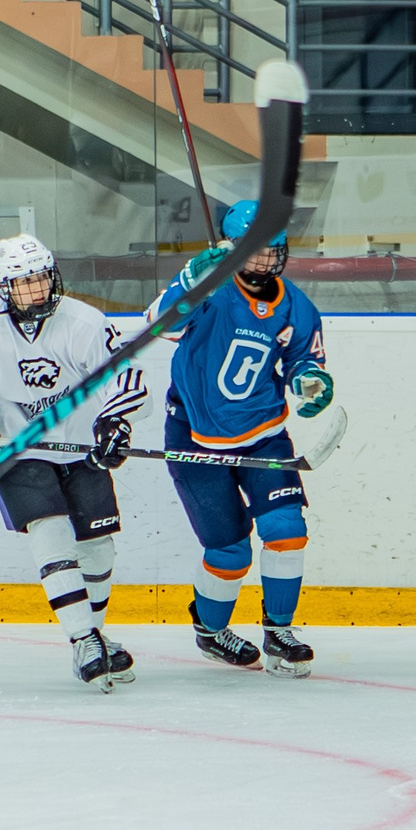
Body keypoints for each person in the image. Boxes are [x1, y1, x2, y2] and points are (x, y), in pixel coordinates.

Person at [0, 234, 146, 688]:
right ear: (3, 288)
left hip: (79, 445)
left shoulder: (84, 322)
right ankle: (83, 641)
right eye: (24, 284)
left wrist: (115, 423)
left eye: (41, 279)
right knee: (50, 530)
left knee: (97, 545)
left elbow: (126, 374)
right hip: (19, 448)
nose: (36, 291)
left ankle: (92, 633)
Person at [144, 199, 333, 676]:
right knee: (229, 553)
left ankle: (280, 631)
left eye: (273, 251)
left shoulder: (295, 303)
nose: (265, 261)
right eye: (253, 251)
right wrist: (189, 281)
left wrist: (310, 381)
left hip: (263, 435)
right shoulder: (208, 289)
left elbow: (301, 360)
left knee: (287, 532)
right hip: (193, 438)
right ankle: (210, 632)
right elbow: (157, 326)